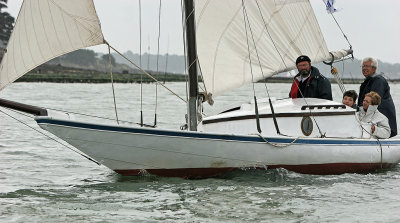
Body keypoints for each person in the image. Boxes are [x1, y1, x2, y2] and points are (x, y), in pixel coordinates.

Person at [358, 57, 397, 137]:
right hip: (372, 120)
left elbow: (373, 101)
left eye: (367, 66)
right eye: (363, 66)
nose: (364, 68)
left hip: (382, 122)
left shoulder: (378, 81)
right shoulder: (368, 81)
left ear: (374, 68)